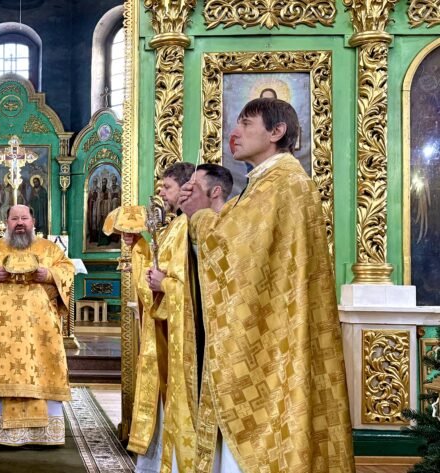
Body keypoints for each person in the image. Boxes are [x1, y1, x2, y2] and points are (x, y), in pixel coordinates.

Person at [179, 98, 354, 472]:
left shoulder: (281, 184)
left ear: (277, 132)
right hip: (276, 328)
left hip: (272, 338)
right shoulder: (269, 183)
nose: (235, 133)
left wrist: (199, 217)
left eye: (246, 124)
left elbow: (232, 250)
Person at [0, 204, 75, 447]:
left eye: (24, 218)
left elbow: (67, 270)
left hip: (41, 328)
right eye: (14, 218)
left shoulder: (49, 249)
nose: (19, 223)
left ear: (33, 221)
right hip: (2, 329)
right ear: (6, 222)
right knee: (4, 370)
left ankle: (45, 434)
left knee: (42, 368)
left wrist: (49, 275)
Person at [128, 162, 196, 473]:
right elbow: (154, 273)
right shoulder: (172, 227)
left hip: (179, 332)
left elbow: (189, 282)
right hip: (164, 329)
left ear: (186, 187)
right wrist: (139, 249)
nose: (161, 192)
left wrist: (162, 283)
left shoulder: (186, 226)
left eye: (166, 187)